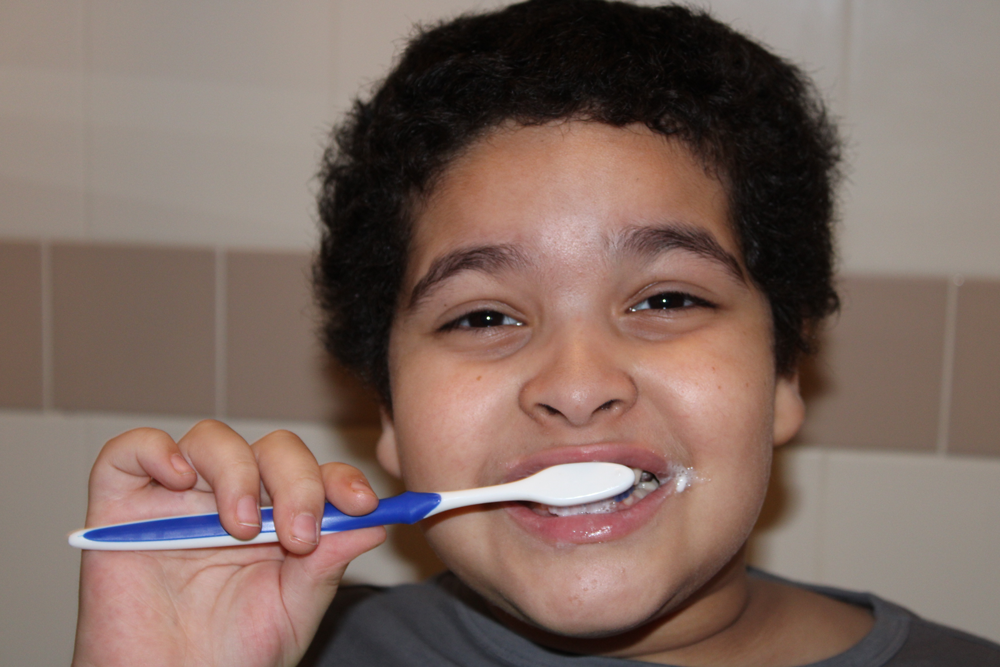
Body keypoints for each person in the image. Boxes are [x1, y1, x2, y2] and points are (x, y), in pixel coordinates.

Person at [72, 1, 1000, 666]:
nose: (576, 379)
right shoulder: (279, 650)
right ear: (386, 412)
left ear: (786, 374)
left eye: (666, 299)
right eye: (483, 315)